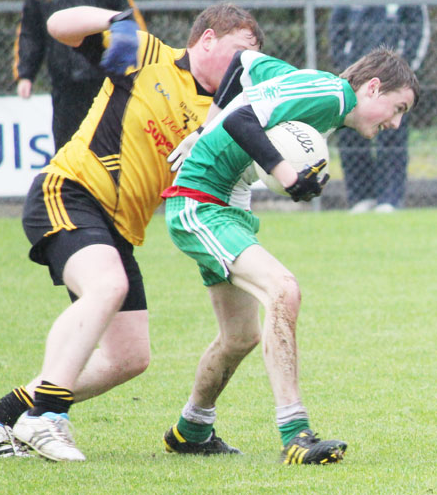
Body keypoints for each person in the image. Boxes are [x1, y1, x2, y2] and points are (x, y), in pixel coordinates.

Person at [0, 3, 263, 461]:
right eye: (237, 54)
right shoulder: (147, 53)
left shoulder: (220, 116)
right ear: (208, 39)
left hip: (118, 231)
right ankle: (47, 417)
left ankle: (4, 413)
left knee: (129, 356)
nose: (240, 69)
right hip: (70, 191)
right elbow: (57, 26)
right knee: (107, 285)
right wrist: (115, 20)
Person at [161, 46, 419, 464]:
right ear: (373, 87)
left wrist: (206, 127)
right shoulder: (331, 95)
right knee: (284, 290)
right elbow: (245, 119)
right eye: (398, 107)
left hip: (229, 208)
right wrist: (284, 172)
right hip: (201, 202)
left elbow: (244, 62)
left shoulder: (310, 88)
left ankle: (191, 430)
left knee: (240, 336)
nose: (396, 122)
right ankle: (295, 434)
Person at [12, 0, 147, 151]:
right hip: (63, 83)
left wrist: (140, 60)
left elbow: (128, 15)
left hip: (104, 76)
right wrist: (25, 74)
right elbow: (30, 32)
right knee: (67, 147)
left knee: (111, 144)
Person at [329, 0, 429, 213]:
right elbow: (336, 28)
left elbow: (419, 30)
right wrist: (344, 66)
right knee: (351, 135)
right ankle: (362, 199)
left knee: (392, 139)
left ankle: (390, 200)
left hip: (392, 85)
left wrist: (405, 75)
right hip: (357, 85)